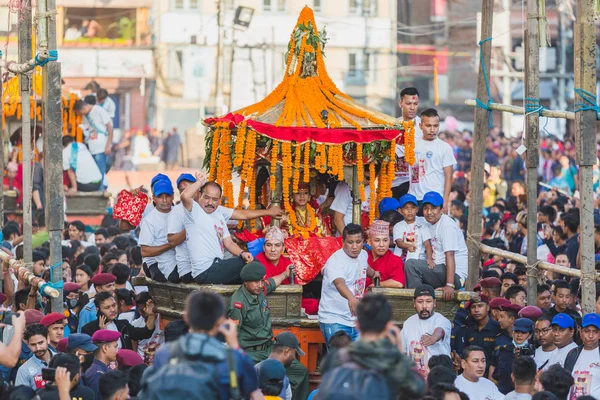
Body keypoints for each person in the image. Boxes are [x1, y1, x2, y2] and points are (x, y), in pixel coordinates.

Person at [146, 291, 261, 399]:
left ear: (186, 317)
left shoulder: (164, 353)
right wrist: (235, 345)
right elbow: (254, 393)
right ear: (221, 320)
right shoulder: (233, 358)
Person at [227, 262, 309, 399]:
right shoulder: (238, 303)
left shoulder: (259, 290)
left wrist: (285, 274)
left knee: (300, 371)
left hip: (270, 349)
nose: (260, 285)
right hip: (251, 353)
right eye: (256, 282)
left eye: (261, 280)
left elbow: (271, 282)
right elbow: (233, 335)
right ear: (245, 282)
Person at [319, 294, 426, 399]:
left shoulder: (335, 358)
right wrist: (399, 350)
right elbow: (418, 388)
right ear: (388, 326)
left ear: (357, 324)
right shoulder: (392, 362)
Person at [180, 177, 252, 284]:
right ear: (199, 195)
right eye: (207, 198)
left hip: (217, 265)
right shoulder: (194, 211)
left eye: (214, 199)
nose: (210, 202)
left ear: (220, 199)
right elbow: (185, 196)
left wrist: (242, 253)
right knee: (253, 267)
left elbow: (229, 242)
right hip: (204, 270)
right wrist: (200, 182)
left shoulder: (219, 215)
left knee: (247, 265)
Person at [318, 223, 380, 344]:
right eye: (350, 242)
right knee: (339, 360)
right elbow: (339, 283)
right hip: (334, 319)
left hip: (355, 320)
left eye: (358, 242)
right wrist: (351, 298)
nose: (355, 246)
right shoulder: (336, 261)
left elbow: (365, 266)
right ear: (343, 242)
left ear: (363, 241)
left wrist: (373, 274)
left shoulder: (363, 254)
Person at [404, 191, 468, 298]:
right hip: (439, 269)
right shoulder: (429, 223)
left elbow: (450, 255)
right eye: (425, 208)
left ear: (442, 209)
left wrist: (449, 285)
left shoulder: (447, 226)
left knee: (411, 265)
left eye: (433, 208)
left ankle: (419, 299)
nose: (429, 212)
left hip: (455, 275)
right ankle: (421, 298)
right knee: (409, 264)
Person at [408, 108, 456, 210]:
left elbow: (449, 177)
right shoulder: (412, 144)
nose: (432, 129)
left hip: (435, 199)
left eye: (435, 126)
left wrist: (445, 202)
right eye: (428, 126)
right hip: (414, 198)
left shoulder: (445, 147)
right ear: (421, 126)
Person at [401, 284, 452, 377]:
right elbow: (402, 352)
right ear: (414, 303)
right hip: (416, 380)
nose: (424, 306)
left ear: (435, 303)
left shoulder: (442, 320)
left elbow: (440, 331)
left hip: (439, 378)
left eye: (428, 301)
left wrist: (433, 338)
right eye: (420, 301)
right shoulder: (408, 323)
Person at [81, 292, 155, 350]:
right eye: (107, 308)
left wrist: (151, 314)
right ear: (98, 309)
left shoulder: (123, 325)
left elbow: (146, 332)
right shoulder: (88, 329)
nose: (112, 310)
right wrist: (101, 335)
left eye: (114, 305)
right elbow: (90, 354)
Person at [139, 176, 178, 283]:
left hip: (183, 261)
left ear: (173, 196)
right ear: (154, 198)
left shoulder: (180, 212)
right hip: (164, 266)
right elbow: (144, 251)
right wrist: (171, 244)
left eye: (168, 196)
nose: (164, 200)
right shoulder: (149, 220)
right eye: (160, 196)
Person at [453, 295, 500, 377]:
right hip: (471, 375)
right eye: (473, 307)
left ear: (488, 308)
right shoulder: (468, 329)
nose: (476, 310)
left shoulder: (497, 328)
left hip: (491, 376)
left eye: (480, 306)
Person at [74, 99, 113, 189]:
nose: (82, 115)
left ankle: (100, 192)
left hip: (101, 147)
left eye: (81, 112)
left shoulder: (98, 110)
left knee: (100, 173)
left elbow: (110, 128)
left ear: (83, 108)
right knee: (95, 172)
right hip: (92, 148)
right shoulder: (86, 116)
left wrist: (108, 145)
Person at [255, 332, 304, 400]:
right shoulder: (283, 379)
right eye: (294, 353)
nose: (294, 357)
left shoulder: (255, 369)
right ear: (287, 352)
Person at [393, 87, 422, 200]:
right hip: (393, 183)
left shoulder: (423, 127)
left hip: (414, 183)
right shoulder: (392, 126)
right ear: (400, 103)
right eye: (408, 103)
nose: (412, 107)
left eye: (415, 104)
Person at [564, 313, 600, 398]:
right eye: (587, 331)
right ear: (581, 332)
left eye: (595, 332)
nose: (591, 336)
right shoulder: (572, 354)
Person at [489, 302, 522, 394]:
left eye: (502, 317)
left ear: (511, 319)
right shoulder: (499, 338)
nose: (499, 320)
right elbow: (494, 364)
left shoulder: (525, 342)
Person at [393, 193, 432, 262]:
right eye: (406, 208)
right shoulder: (398, 226)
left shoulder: (423, 222)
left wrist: (429, 259)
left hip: (419, 259)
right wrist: (408, 246)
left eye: (412, 207)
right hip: (400, 260)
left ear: (417, 209)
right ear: (400, 211)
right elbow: (399, 242)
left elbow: (427, 243)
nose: (410, 211)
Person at [366, 220, 405, 288]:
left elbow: (398, 283)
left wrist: (376, 285)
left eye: (385, 240)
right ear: (369, 242)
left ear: (389, 241)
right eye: (377, 240)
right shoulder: (363, 257)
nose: (381, 245)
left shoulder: (395, 260)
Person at [15, 324, 55, 390]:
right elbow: (20, 395)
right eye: (33, 345)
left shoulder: (63, 360)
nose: (38, 348)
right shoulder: (24, 370)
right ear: (28, 345)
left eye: (40, 343)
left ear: (48, 339)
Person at [84, 330, 120, 399]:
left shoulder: (99, 370)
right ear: (105, 348)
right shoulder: (97, 375)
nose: (117, 351)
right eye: (115, 347)